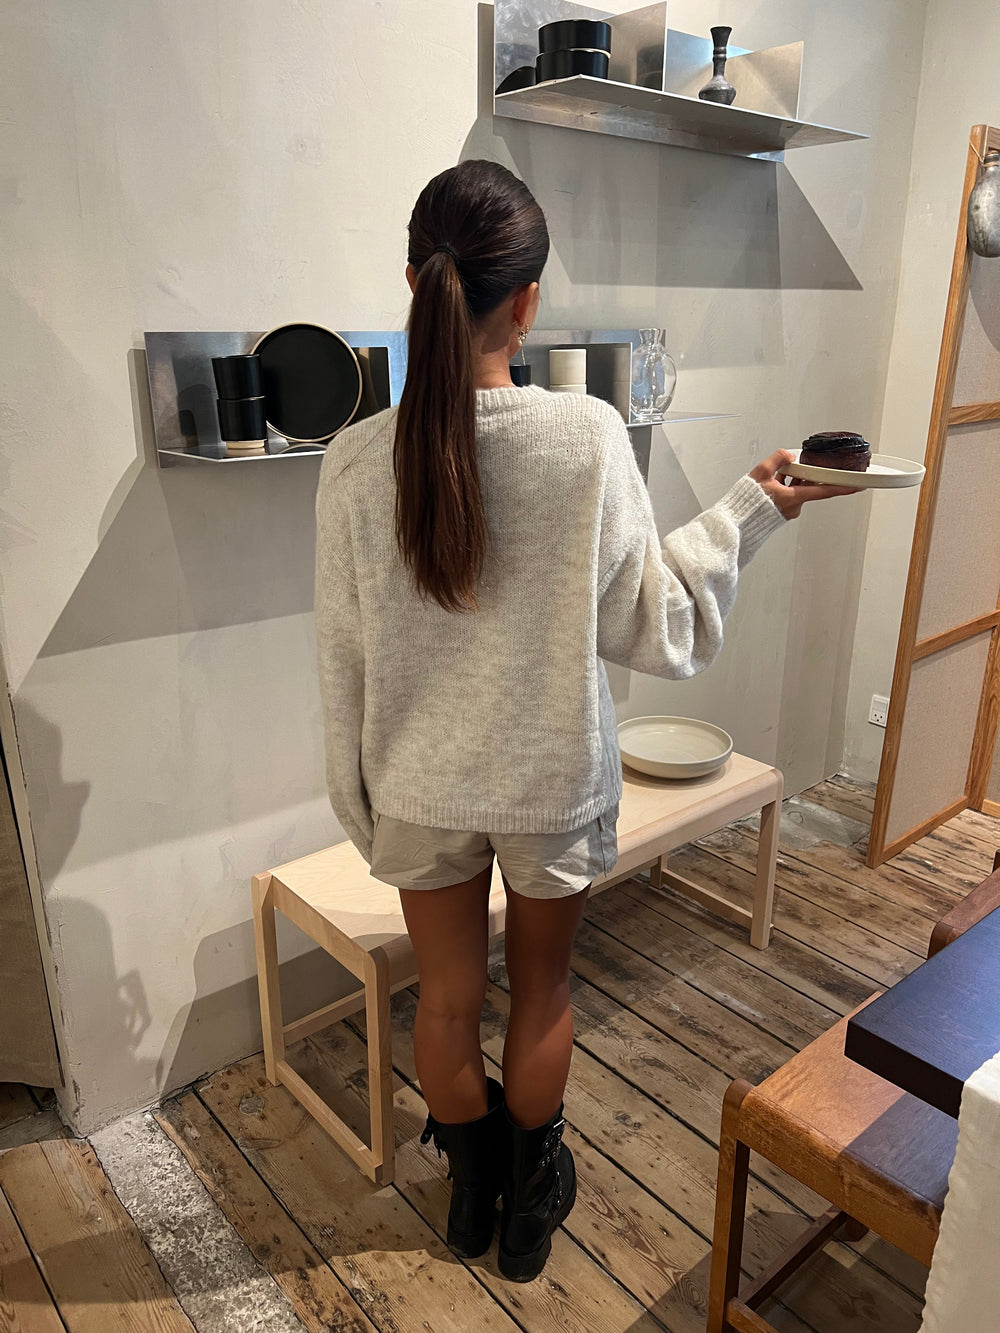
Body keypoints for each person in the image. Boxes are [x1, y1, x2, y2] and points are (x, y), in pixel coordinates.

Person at [314, 159, 857, 1283]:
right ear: (527, 301)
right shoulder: (586, 437)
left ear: (415, 282)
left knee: (445, 1003)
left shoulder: (354, 461)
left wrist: (359, 802)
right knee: (542, 993)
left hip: (415, 786)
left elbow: (343, 658)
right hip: (552, 780)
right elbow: (655, 623)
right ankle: (528, 1211)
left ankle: (472, 1194)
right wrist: (754, 508)